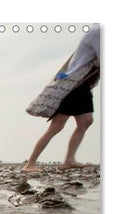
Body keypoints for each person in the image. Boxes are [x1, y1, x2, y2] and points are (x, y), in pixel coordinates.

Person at [23, 25, 100, 172]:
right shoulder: (98, 32)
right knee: (57, 126)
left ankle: (69, 160)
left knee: (86, 121)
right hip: (73, 85)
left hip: (83, 85)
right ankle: (30, 164)